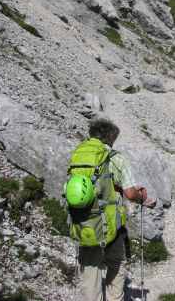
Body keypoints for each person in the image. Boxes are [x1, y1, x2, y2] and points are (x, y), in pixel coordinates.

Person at [66, 118, 155, 301]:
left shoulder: (78, 157)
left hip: (86, 222)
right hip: (111, 225)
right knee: (116, 262)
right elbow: (130, 194)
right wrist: (142, 197)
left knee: (91, 270)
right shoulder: (115, 158)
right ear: (111, 138)